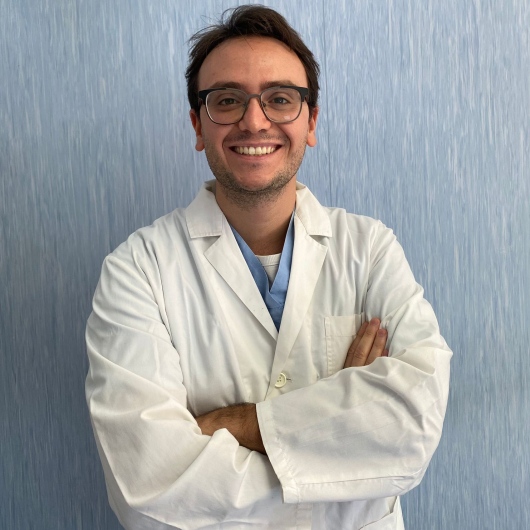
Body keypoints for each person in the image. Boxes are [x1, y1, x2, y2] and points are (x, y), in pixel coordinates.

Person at [85, 5, 452, 529]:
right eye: (227, 100)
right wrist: (347, 438)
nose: (254, 121)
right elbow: (146, 486)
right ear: (197, 125)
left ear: (311, 121)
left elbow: (413, 426)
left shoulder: (369, 249)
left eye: (280, 98)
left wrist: (236, 424)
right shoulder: (137, 270)